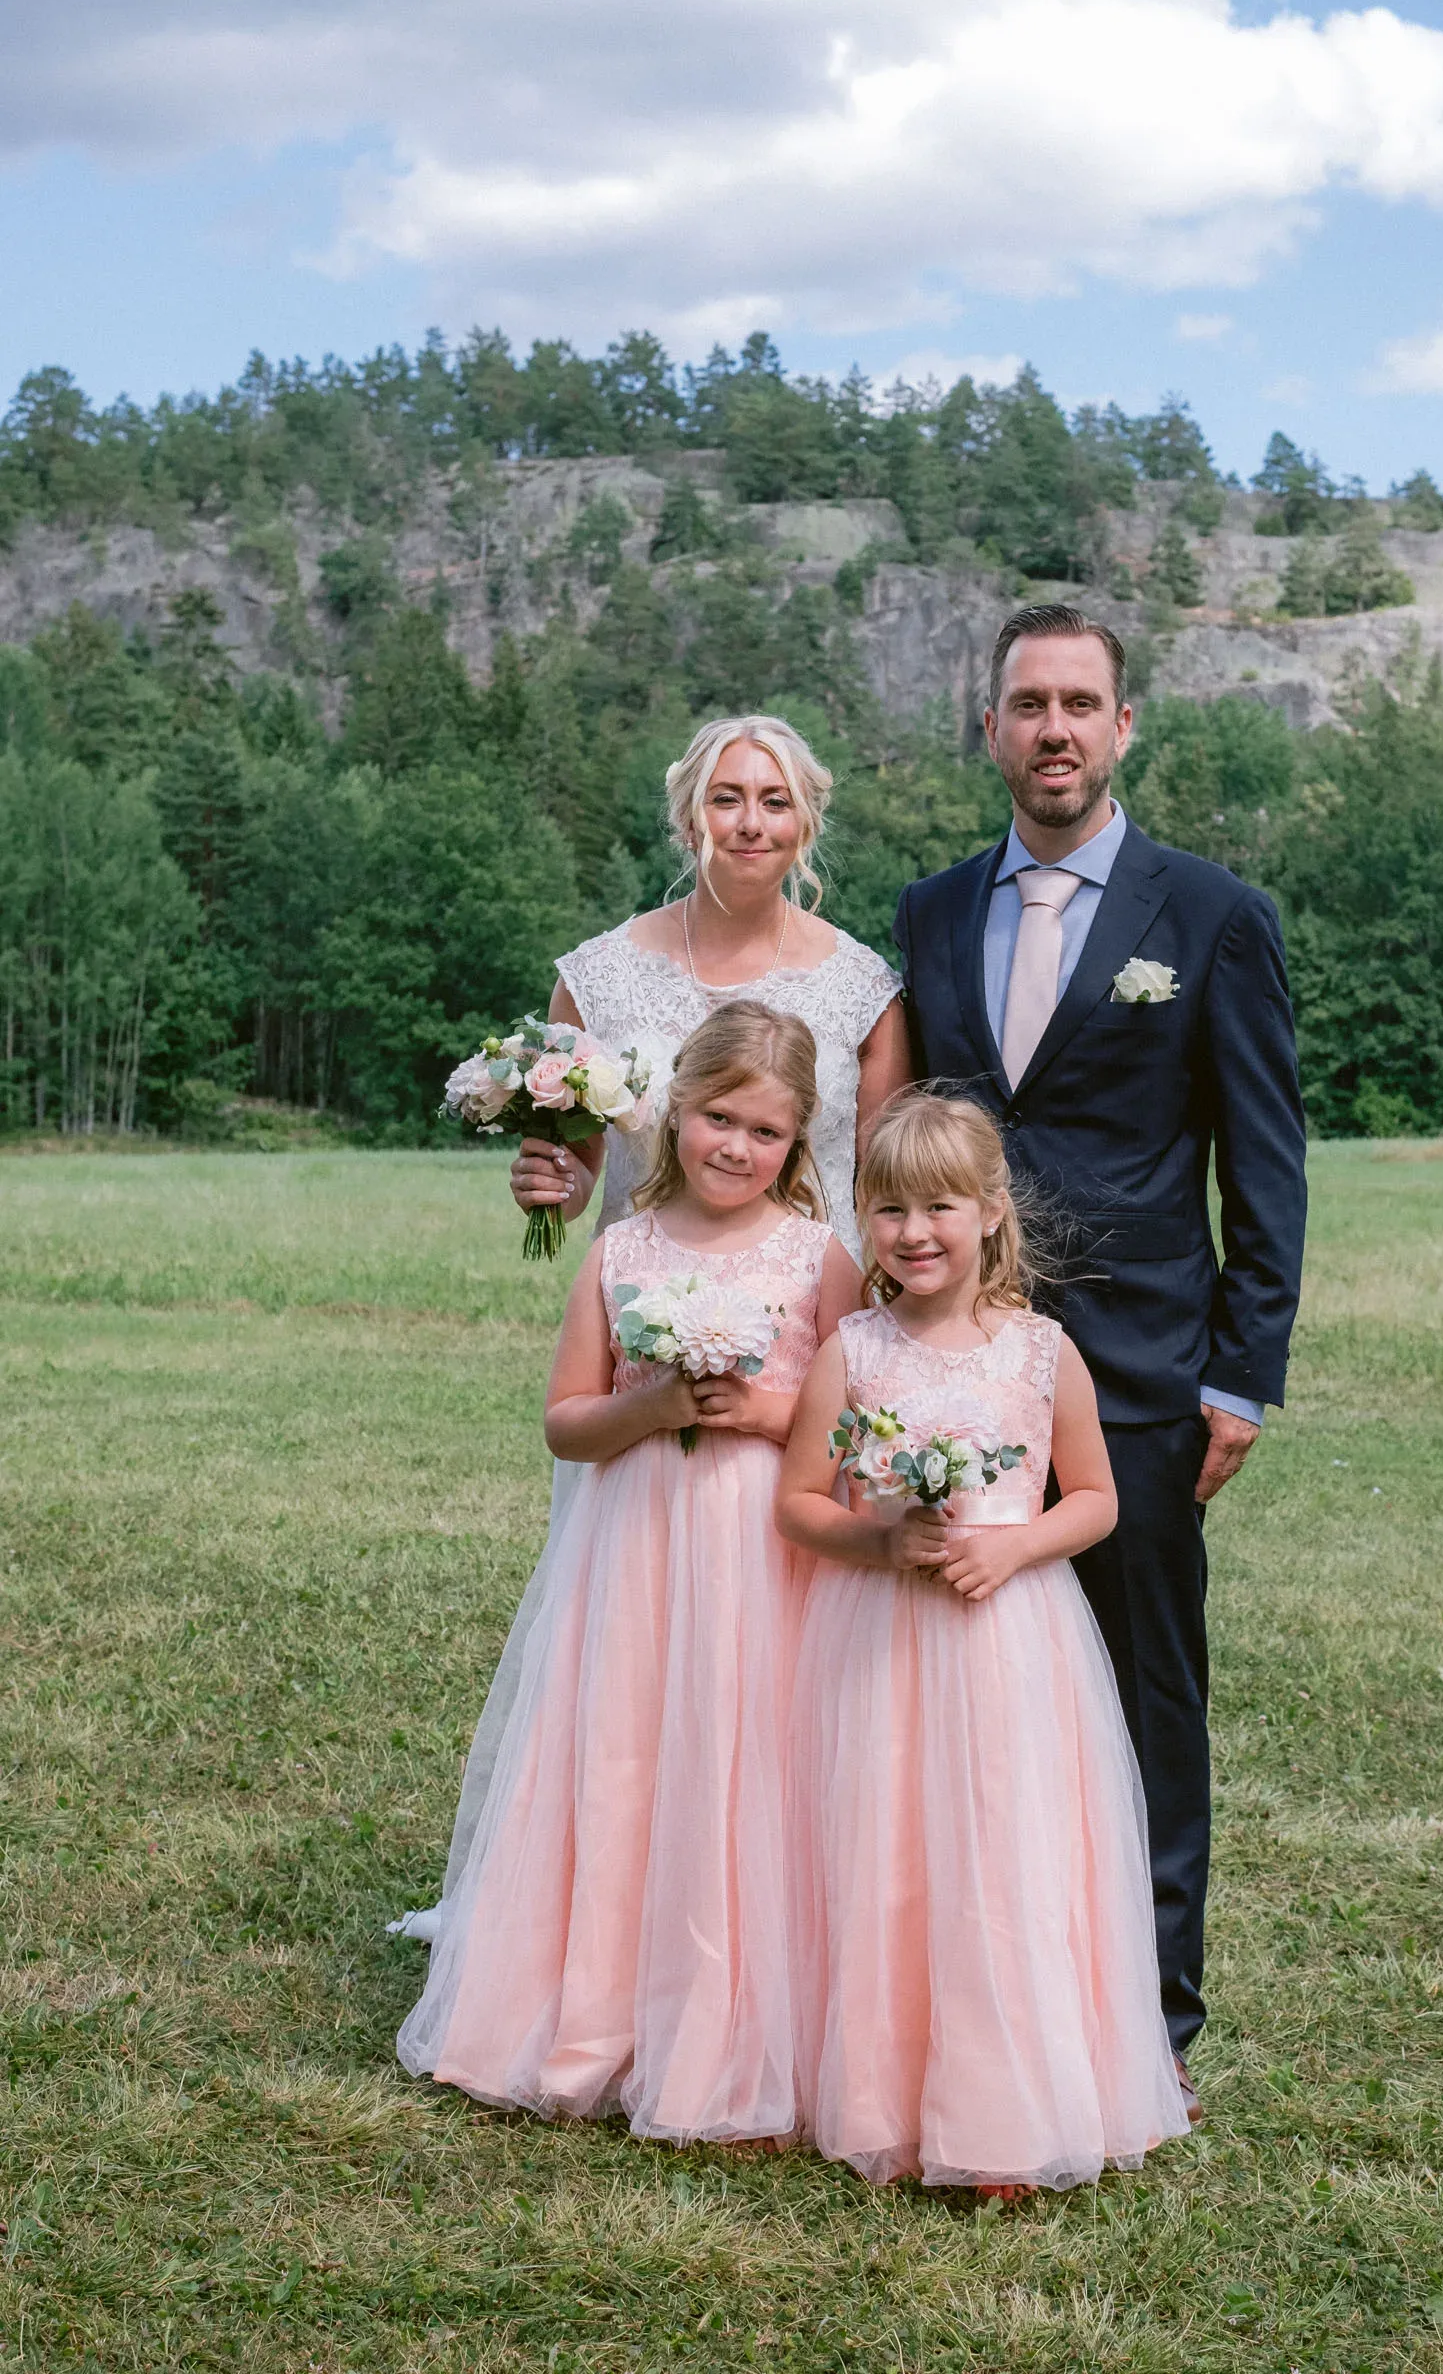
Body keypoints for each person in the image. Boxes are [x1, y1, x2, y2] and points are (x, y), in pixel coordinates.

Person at [891, 605, 1308, 2101]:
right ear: (988, 729)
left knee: (1144, 1703)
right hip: (959, 1366)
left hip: (1136, 1377)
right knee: (958, 1681)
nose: (1052, 728)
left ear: (1122, 727)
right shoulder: (929, 912)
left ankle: (1151, 2029)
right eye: (1026, 704)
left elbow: (1263, 1163)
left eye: (1080, 703)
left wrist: (1236, 1371)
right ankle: (972, 1994)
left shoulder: (1208, 916)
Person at [397, 1005, 864, 2141]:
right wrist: (647, 1406)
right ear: (674, 1115)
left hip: (762, 1556)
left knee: (740, 1761)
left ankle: (735, 2023)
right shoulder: (624, 1250)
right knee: (623, 1755)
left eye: (765, 1130)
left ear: (798, 1143)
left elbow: (856, 1429)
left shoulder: (821, 1259)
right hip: (636, 1550)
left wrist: (760, 1412)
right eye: (717, 1118)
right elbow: (565, 1421)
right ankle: (595, 2009)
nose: (735, 1147)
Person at [778, 1092, 1192, 2196]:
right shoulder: (850, 1352)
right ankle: (884, 2093)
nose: (913, 1232)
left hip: (1011, 1637)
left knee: (1004, 1856)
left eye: (939, 1206)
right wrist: (879, 1538)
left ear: (993, 1212)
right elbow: (797, 1505)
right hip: (883, 1641)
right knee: (889, 1851)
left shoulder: (1044, 1352)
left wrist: (1014, 1550)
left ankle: (1007, 2104)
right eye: (887, 1210)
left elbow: (1096, 1499)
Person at [509, 713, 910, 1256]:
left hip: (816, 1307)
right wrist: (552, 1183)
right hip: (645, 1309)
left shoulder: (866, 992)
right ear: (688, 821)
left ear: (804, 824)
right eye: (725, 799)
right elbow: (580, 1173)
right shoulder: (596, 980)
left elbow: (886, 1190)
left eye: (776, 802)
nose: (751, 823)